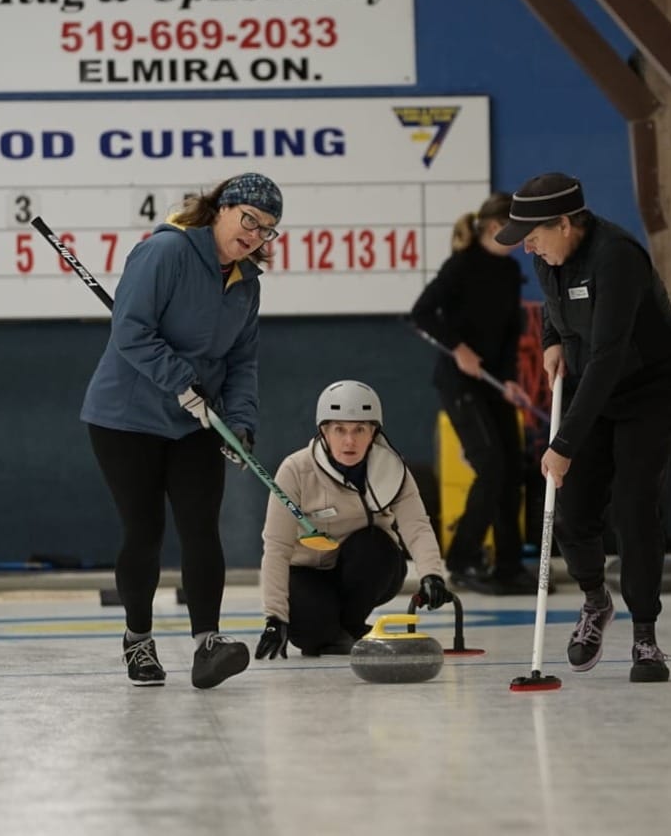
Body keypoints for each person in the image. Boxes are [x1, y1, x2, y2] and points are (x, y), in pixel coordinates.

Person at [81, 172, 283, 689]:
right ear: (222, 208)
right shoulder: (164, 253)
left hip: (196, 421)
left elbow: (244, 361)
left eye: (267, 230)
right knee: (145, 532)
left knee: (200, 528)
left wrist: (239, 422)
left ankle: (207, 644)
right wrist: (180, 382)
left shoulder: (246, 283)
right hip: (126, 418)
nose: (255, 235)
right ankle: (138, 641)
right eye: (250, 220)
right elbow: (130, 331)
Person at [494, 173, 671, 684]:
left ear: (565, 223)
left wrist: (562, 444)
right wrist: (553, 337)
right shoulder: (546, 255)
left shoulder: (617, 258)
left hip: (646, 386)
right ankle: (595, 600)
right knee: (571, 507)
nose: (527, 247)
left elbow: (608, 355)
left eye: (534, 235)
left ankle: (645, 637)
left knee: (633, 503)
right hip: (590, 380)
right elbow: (559, 310)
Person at [254, 380, 453, 660]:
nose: (350, 441)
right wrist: (274, 619)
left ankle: (349, 625)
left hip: (366, 566)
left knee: (374, 546)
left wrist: (432, 574)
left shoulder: (392, 469)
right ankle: (337, 632)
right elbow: (276, 547)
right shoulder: (295, 470)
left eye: (360, 429)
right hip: (307, 571)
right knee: (310, 633)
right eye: (340, 430)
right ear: (324, 431)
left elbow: (416, 525)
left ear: (374, 432)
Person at [411, 193, 536, 596]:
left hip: (495, 385)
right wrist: (459, 349)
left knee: (512, 470)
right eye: (515, 226)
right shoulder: (462, 266)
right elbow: (423, 313)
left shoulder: (509, 271)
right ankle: (462, 561)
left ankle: (509, 564)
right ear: (495, 226)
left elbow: (507, 336)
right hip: (460, 384)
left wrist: (512, 379)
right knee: (491, 466)